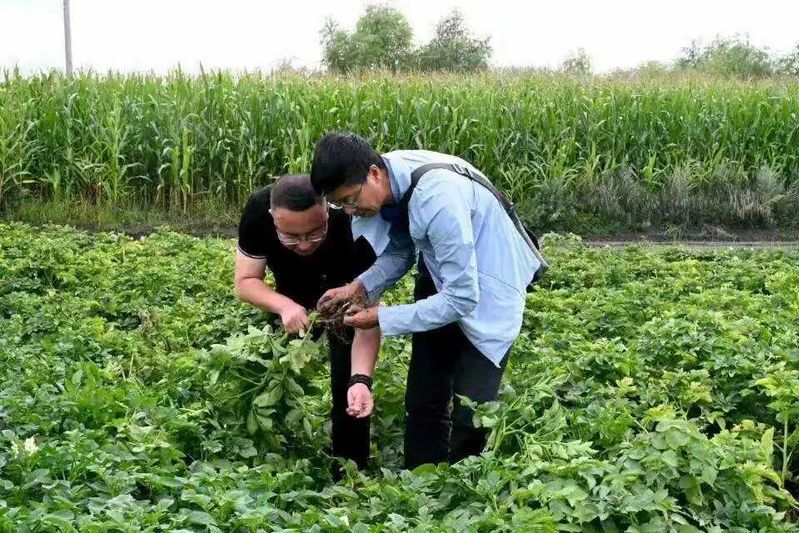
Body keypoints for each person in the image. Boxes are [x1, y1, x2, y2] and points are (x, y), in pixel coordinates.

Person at [311, 133, 541, 469]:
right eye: (340, 205)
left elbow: (462, 297)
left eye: (350, 200)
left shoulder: (438, 199)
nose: (350, 210)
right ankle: (420, 480)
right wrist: (358, 287)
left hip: (490, 284)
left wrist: (382, 317)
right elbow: (401, 250)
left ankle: (463, 485)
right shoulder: (389, 179)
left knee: (473, 410)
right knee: (424, 397)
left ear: (373, 174)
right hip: (442, 272)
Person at [234, 174, 379, 469]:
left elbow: (369, 312)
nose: (303, 244)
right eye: (290, 236)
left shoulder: (353, 218)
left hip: (345, 297)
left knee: (348, 385)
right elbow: (246, 281)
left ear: (327, 210)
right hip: (287, 295)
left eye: (314, 233)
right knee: (271, 375)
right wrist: (284, 306)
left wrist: (361, 379)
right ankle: (271, 459)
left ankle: (351, 469)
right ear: (273, 217)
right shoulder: (258, 210)